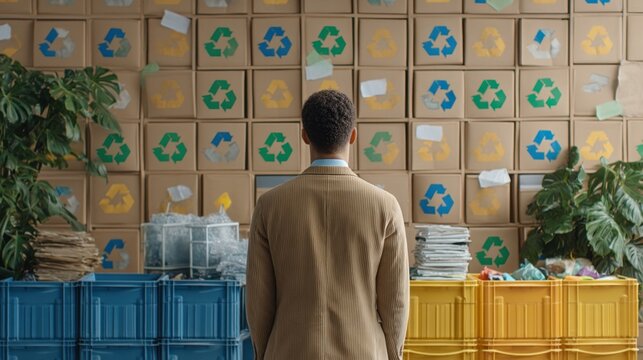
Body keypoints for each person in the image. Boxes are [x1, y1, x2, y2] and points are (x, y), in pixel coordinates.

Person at [246, 90, 409, 360]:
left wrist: (264, 353)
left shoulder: (270, 205)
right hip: (363, 351)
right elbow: (395, 301)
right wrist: (393, 354)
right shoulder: (385, 206)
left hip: (289, 350)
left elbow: (258, 299)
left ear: (305, 136)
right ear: (353, 136)